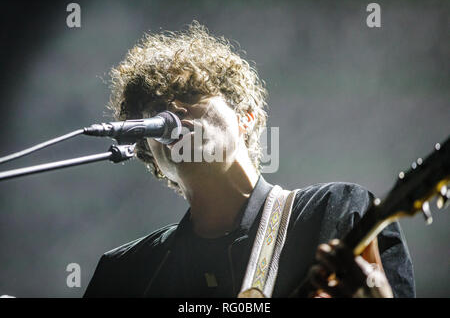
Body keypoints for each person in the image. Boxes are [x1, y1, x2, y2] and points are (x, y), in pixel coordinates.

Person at [84, 22, 415, 298]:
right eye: (156, 110)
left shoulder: (335, 211)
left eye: (189, 95)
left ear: (246, 117)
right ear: (152, 155)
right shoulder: (125, 273)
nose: (173, 111)